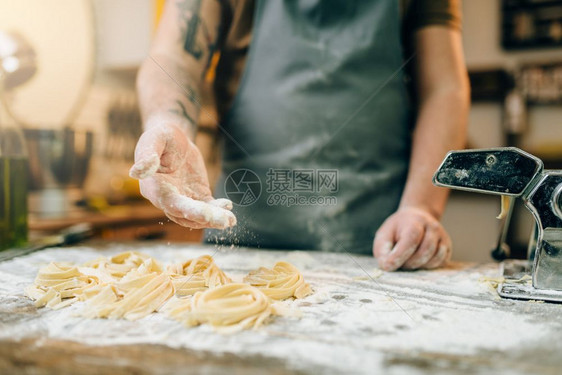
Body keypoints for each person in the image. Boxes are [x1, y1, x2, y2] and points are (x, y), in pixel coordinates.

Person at [130, 0, 470, 271]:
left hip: (382, 247)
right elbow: (173, 56)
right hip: (242, 246)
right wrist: (167, 121)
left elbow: (444, 88)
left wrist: (421, 207)